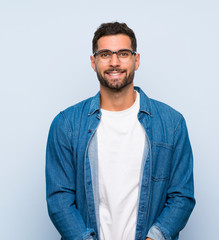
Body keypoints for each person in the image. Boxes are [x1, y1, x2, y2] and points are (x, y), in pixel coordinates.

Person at [46, 22, 195, 240]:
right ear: (93, 61)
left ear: (136, 60)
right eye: (105, 54)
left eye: (123, 54)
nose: (114, 62)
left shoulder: (172, 124)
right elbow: (59, 199)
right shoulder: (66, 124)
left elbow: (181, 196)